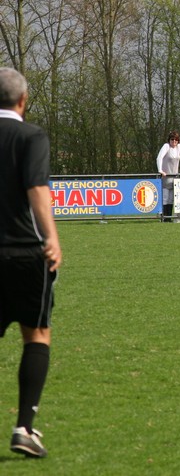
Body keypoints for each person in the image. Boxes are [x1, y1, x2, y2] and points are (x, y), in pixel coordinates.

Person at [0, 68, 62, 459]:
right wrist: (51, 237)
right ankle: (24, 427)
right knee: (36, 334)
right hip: (24, 251)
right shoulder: (31, 136)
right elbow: (37, 188)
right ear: (23, 101)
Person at [156, 130, 180, 222]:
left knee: (171, 199)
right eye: (172, 139)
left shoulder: (179, 147)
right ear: (169, 140)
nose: (174, 141)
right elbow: (159, 158)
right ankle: (164, 218)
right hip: (166, 177)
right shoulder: (166, 146)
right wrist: (160, 170)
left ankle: (169, 217)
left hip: (174, 177)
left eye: (176, 140)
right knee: (165, 198)